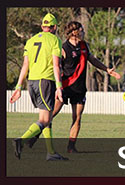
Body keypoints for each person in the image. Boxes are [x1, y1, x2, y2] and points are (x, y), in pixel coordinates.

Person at [27, 21, 121, 153]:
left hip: (79, 89)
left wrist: (107, 70)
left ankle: (71, 147)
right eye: (82, 30)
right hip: (65, 87)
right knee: (50, 115)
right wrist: (56, 85)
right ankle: (34, 137)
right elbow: (57, 66)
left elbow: (92, 59)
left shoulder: (84, 46)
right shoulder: (64, 48)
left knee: (77, 118)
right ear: (75, 32)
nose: (84, 32)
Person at [10, 13, 68, 161]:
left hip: (32, 82)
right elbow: (56, 65)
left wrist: (18, 87)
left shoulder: (31, 41)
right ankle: (21, 141)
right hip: (45, 81)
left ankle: (51, 153)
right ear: (54, 27)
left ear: (42, 26)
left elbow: (25, 65)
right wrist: (59, 87)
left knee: (45, 118)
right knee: (44, 120)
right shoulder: (55, 40)